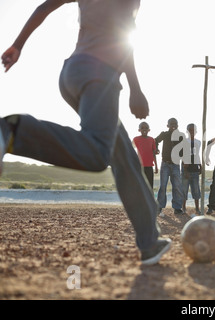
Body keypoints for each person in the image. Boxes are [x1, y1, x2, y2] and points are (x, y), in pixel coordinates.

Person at [0, 0, 171, 265]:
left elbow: (45, 7)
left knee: (124, 156)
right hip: (99, 75)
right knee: (96, 154)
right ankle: (14, 131)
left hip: (72, 73)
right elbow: (124, 38)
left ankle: (149, 242)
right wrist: (136, 90)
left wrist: (18, 45)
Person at [155, 118, 185, 216]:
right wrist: (156, 149)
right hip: (165, 164)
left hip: (176, 164)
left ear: (177, 125)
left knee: (177, 186)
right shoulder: (164, 134)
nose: (173, 126)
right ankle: (159, 207)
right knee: (163, 186)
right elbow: (155, 140)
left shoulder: (180, 136)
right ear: (167, 125)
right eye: (171, 124)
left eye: (175, 124)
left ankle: (177, 208)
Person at [181, 123, 201, 217]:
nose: (191, 132)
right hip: (186, 168)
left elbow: (197, 155)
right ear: (187, 131)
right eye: (189, 130)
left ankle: (197, 208)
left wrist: (200, 165)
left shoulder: (198, 142)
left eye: (193, 130)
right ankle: (183, 207)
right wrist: (185, 166)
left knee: (196, 189)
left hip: (195, 168)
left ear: (196, 131)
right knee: (184, 188)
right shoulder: (184, 141)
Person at [133, 121, 158, 189]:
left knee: (150, 186)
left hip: (149, 167)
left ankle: (150, 199)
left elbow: (154, 153)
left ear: (149, 130)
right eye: (142, 128)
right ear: (139, 130)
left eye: (146, 128)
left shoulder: (151, 139)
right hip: (139, 167)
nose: (144, 129)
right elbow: (130, 149)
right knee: (139, 186)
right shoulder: (136, 139)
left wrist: (156, 166)